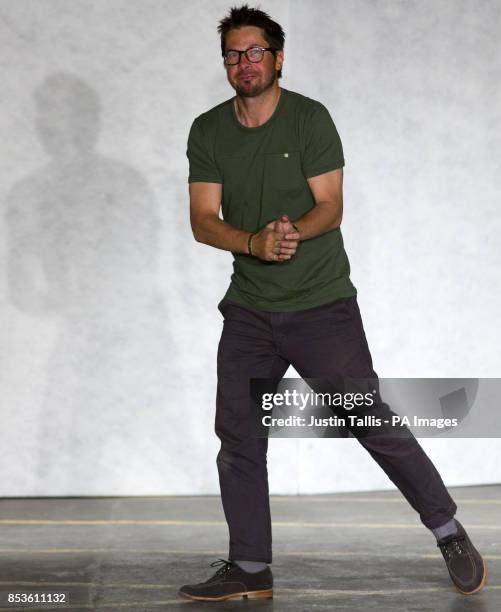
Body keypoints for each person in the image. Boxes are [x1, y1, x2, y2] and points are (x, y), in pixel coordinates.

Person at [179, 4, 486, 602]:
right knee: (239, 435)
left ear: (278, 58)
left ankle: (448, 530)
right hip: (249, 312)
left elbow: (331, 206)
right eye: (234, 54)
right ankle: (250, 568)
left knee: (368, 417)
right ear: (226, 63)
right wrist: (252, 243)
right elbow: (200, 219)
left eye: (255, 52)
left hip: (321, 308)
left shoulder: (309, 120)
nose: (245, 63)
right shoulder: (207, 130)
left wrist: (288, 234)